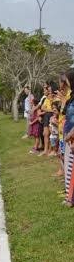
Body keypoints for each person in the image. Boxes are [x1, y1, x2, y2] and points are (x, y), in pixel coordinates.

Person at [60, 69, 74, 206]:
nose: (65, 83)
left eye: (67, 80)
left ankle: (70, 198)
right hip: (68, 136)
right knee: (68, 165)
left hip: (72, 137)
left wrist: (70, 134)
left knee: (71, 167)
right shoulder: (71, 97)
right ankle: (69, 194)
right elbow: (64, 112)